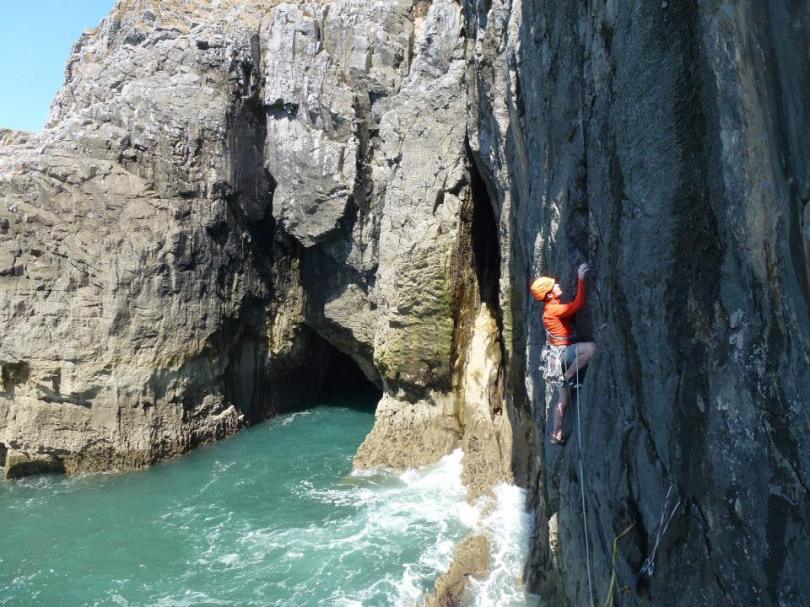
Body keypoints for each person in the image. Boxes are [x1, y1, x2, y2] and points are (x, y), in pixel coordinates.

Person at [530, 263, 596, 445]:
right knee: (591, 349)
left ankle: (555, 434)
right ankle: (569, 375)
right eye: (554, 287)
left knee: (563, 400)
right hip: (563, 358)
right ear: (550, 294)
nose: (559, 286)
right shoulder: (553, 310)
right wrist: (581, 278)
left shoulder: (550, 308)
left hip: (554, 359)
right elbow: (579, 304)